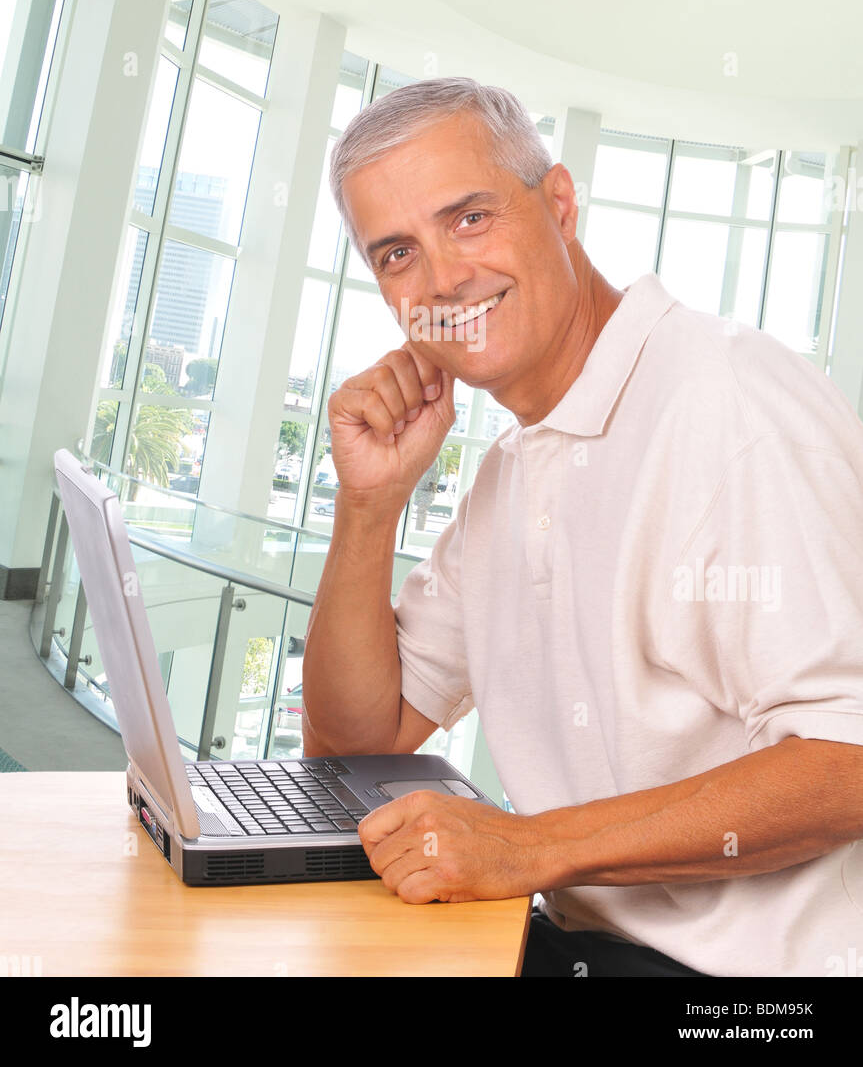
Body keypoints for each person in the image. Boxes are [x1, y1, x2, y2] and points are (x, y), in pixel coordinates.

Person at [301, 76, 863, 977]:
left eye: (470, 218)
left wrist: (527, 847)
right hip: (581, 952)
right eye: (397, 253)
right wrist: (367, 508)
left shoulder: (728, 401)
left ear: (558, 205)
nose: (444, 278)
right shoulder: (513, 468)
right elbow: (349, 745)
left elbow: (849, 760)